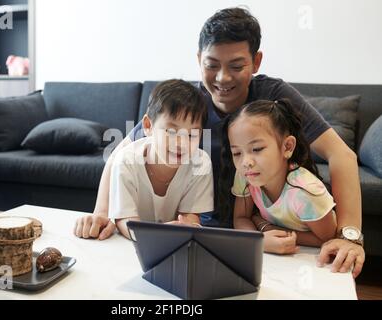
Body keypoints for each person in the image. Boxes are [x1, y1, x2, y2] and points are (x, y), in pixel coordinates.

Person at [74, 7, 364, 277]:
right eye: (212, 65)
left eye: (236, 66)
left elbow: (342, 155)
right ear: (199, 59)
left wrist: (349, 235)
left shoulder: (273, 95)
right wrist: (102, 214)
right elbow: (120, 153)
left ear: (256, 61)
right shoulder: (186, 105)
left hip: (270, 233)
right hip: (207, 233)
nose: (223, 78)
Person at [222, 98, 337, 254]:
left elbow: (328, 238)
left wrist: (266, 227)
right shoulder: (245, 176)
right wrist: (257, 240)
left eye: (256, 149)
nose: (245, 162)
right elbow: (241, 217)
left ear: (287, 147)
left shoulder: (306, 192)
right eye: (236, 153)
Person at [107, 79, 213, 239]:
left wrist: (185, 227)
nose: (182, 143)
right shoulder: (126, 160)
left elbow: (190, 216)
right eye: (171, 131)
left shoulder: (201, 163)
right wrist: (155, 235)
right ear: (148, 126)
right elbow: (124, 219)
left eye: (192, 135)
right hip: (134, 245)